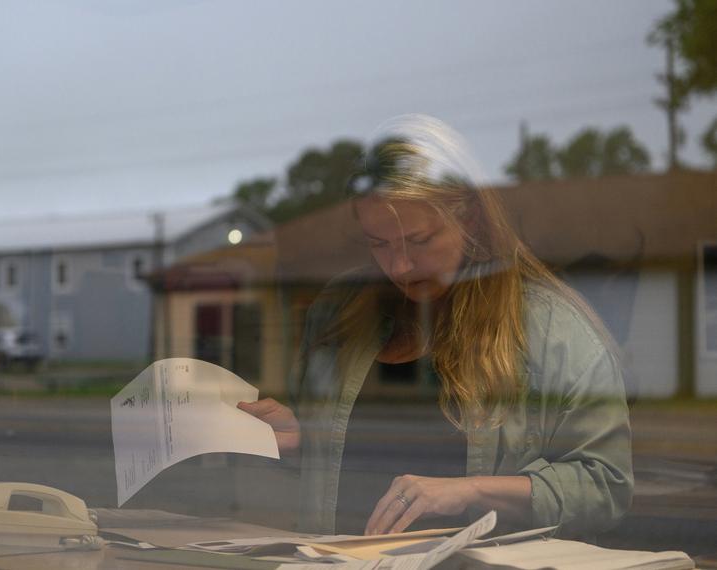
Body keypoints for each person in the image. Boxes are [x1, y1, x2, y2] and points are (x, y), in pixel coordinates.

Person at [238, 115, 633, 538]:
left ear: (472, 220)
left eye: (420, 241)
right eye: (379, 244)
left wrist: (473, 492)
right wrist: (302, 435)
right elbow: (351, 461)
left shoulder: (551, 331)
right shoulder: (341, 313)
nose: (400, 265)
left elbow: (606, 486)